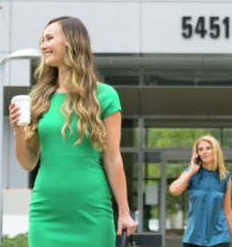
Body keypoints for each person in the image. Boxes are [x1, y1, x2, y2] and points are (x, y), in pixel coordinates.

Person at [10, 16, 137, 246]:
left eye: (49, 38)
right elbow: (29, 163)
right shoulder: (37, 99)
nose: (43, 45)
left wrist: (125, 211)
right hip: (46, 211)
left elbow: (112, 157)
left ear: (71, 42)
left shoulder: (105, 96)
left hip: (92, 211)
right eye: (42, 39)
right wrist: (18, 131)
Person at [168, 135, 232, 247]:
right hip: (193, 238)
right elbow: (173, 190)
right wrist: (192, 170)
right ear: (197, 154)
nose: (204, 152)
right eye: (200, 149)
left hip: (219, 238)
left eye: (208, 148)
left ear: (215, 150)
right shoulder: (190, 174)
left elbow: (228, 213)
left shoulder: (224, 178)